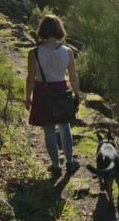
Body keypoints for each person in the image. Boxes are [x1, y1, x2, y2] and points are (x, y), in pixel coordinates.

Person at [25, 14, 81, 178]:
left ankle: (56, 166)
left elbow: (30, 79)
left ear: (41, 30)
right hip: (62, 90)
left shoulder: (34, 53)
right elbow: (73, 76)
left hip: (43, 91)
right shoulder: (68, 52)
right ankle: (70, 162)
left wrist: (28, 97)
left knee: (48, 129)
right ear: (59, 30)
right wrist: (77, 94)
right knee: (65, 127)